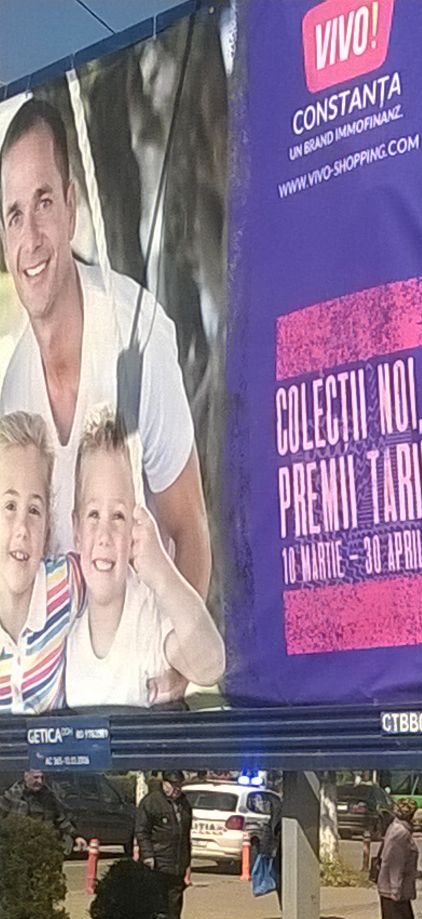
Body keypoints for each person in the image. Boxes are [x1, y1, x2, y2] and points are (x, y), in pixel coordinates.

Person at [0, 99, 212, 603]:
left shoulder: (135, 336)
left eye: (44, 202)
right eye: (14, 215)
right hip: (63, 650)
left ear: (72, 206)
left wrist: (174, 650)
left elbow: (189, 532)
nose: (31, 237)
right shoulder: (12, 396)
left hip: (147, 641)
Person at [65, 409, 225, 707]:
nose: (104, 534)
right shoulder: (64, 613)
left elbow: (210, 665)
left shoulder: (147, 616)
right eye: (94, 514)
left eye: (118, 516)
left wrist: (163, 574)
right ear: (76, 529)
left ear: (136, 527)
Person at [0, 409, 84, 713]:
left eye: (34, 510)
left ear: (48, 523)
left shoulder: (65, 584)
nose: (22, 528)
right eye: (9, 506)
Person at [134, 770, 192, 919]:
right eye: (174, 785)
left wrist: (187, 862)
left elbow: (185, 835)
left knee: (174, 907)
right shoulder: (151, 802)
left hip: (177, 864)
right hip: (157, 863)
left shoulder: (184, 803)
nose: (177, 789)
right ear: (165, 784)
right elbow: (141, 831)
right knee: (156, 905)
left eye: (179, 785)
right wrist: (148, 856)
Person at [376, 797, 418, 919]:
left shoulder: (400, 829)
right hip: (393, 887)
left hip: (398, 885)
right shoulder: (400, 833)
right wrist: (395, 888)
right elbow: (394, 862)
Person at [0, 768, 75, 851]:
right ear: (26, 776)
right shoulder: (11, 796)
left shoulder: (50, 798)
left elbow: (61, 820)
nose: (39, 781)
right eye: (36, 777)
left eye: (41, 778)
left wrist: (76, 837)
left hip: (44, 845)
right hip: (17, 845)